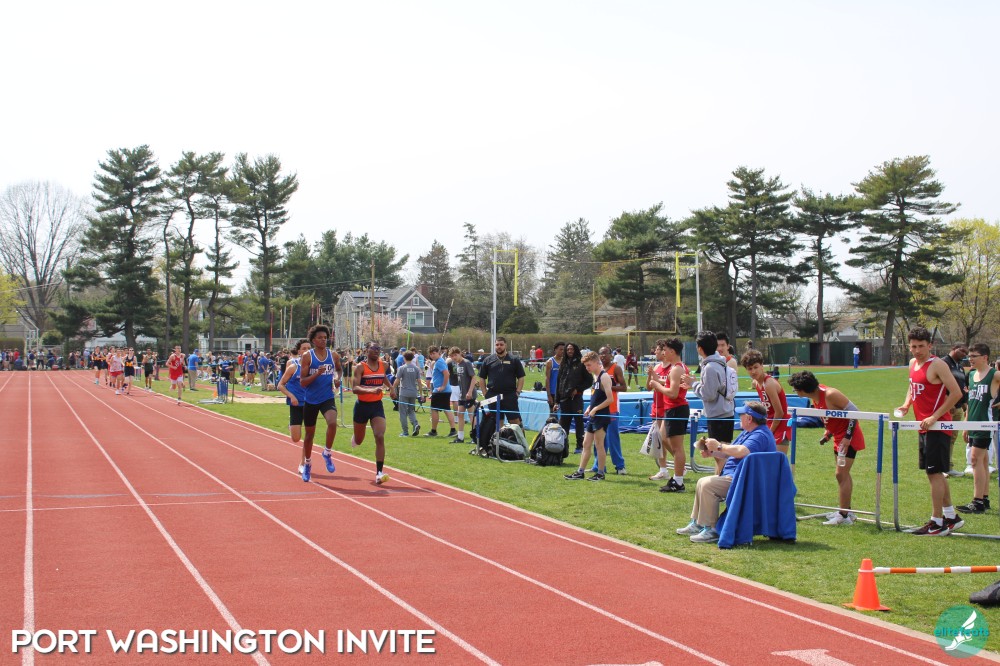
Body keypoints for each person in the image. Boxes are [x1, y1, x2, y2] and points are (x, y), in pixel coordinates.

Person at [895, 326, 964, 536]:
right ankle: (951, 516)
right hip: (923, 426)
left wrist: (935, 416)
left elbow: (956, 393)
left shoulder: (938, 365)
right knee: (935, 472)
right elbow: (912, 386)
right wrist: (906, 404)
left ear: (930, 345)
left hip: (938, 426)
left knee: (934, 473)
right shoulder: (912, 363)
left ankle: (936, 521)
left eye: (921, 346)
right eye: (913, 346)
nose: (917, 351)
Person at [675, 401, 777, 543]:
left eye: (741, 414)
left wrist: (719, 446)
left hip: (746, 480)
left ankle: (712, 529)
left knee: (707, 485)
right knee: (702, 482)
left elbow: (742, 451)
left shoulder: (760, 435)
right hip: (740, 476)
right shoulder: (749, 432)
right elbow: (730, 452)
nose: (739, 417)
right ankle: (698, 523)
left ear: (749, 418)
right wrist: (713, 452)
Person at [788, 370, 866, 526]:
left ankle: (843, 516)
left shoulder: (830, 394)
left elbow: (854, 412)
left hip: (848, 439)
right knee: (843, 475)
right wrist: (828, 433)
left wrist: (847, 437)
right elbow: (833, 417)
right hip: (838, 437)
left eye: (796, 390)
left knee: (840, 474)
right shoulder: (815, 397)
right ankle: (847, 511)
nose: (795, 392)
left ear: (803, 390)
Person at [682, 331, 736, 475]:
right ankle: (719, 480)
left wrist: (693, 384)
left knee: (720, 455)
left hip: (718, 415)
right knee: (720, 453)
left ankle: (722, 482)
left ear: (700, 348)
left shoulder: (710, 367)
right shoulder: (719, 363)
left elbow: (709, 395)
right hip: (724, 412)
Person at [958, 344, 999, 514]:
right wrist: (966, 425)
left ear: (985, 357)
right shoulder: (972, 374)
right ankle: (984, 498)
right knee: (982, 461)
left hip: (984, 424)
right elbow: (970, 402)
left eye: (974, 356)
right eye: (969, 356)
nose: (970, 359)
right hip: (972, 423)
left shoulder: (994, 374)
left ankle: (977, 502)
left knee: (975, 459)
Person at [299, 325, 342, 481]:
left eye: (325, 337)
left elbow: (339, 370)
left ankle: (327, 453)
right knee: (309, 435)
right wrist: (317, 373)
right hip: (311, 399)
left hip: (327, 397)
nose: (323, 340)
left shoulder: (333, 355)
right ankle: (307, 464)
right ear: (313, 340)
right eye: (320, 338)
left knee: (332, 423)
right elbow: (303, 382)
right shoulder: (307, 357)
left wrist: (337, 379)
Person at [564, 351, 614, 481]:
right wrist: (590, 408)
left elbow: (610, 399)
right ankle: (580, 472)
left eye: (589, 365)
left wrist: (596, 408)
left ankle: (600, 473)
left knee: (599, 445)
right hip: (593, 416)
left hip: (601, 416)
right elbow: (596, 396)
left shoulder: (604, 377)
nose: (587, 368)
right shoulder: (595, 377)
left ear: (597, 363)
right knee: (586, 444)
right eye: (586, 366)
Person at [647, 338, 689, 490]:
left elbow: (673, 393)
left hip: (676, 408)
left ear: (672, 351)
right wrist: (658, 379)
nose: (663, 353)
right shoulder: (676, 368)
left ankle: (678, 481)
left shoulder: (677, 369)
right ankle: (678, 474)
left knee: (677, 448)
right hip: (671, 409)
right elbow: (670, 384)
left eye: (665, 350)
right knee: (663, 437)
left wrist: (657, 385)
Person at [352, 342, 393, 485]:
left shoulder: (384, 365)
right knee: (359, 440)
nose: (376, 351)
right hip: (361, 407)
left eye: (378, 349)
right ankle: (356, 437)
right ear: (366, 350)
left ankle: (379, 473)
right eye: (373, 348)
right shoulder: (360, 367)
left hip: (376, 406)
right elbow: (355, 388)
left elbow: (383, 377)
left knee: (379, 436)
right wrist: (371, 390)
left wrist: (391, 387)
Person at [742, 350, 791, 455]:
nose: (753, 371)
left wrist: (769, 432)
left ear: (762, 366)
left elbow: (779, 412)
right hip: (768, 423)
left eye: (755, 367)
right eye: (750, 369)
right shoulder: (756, 383)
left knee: (776, 461)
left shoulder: (768, 384)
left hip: (780, 424)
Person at [277, 338, 310, 478]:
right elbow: (280, 385)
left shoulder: (315, 367)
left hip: (310, 404)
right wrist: (292, 396)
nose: (307, 351)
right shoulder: (293, 366)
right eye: (304, 348)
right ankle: (292, 425)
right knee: (296, 438)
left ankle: (303, 463)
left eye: (309, 348)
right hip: (296, 404)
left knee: (309, 436)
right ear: (299, 351)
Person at [477, 336, 525, 426]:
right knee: (497, 423)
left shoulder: (514, 359)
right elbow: (482, 378)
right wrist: (485, 393)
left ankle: (519, 436)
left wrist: (518, 392)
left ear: (505, 345)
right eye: (497, 345)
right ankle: (499, 436)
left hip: (509, 395)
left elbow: (521, 377)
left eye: (501, 344)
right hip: (493, 395)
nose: (499, 346)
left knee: (515, 422)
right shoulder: (488, 360)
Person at [593, 346, 627, 474]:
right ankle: (598, 466)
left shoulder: (615, 368)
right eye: (600, 354)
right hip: (600, 408)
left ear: (611, 355)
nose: (603, 356)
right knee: (598, 440)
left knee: (613, 438)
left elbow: (624, 387)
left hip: (612, 408)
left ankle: (620, 466)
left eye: (605, 353)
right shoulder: (598, 369)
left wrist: (608, 387)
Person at [555, 342, 588, 453]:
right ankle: (563, 446)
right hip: (564, 399)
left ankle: (580, 446)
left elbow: (588, 381)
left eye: (572, 349)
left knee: (579, 422)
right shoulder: (563, 363)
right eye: (568, 349)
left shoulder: (581, 363)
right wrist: (556, 401)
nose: (570, 351)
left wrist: (577, 389)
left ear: (575, 350)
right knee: (564, 423)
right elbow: (559, 382)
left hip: (576, 398)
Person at [942, 344, 969, 477]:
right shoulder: (943, 363)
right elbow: (940, 386)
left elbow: (962, 387)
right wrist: (948, 402)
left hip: (958, 407)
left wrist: (964, 404)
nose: (964, 354)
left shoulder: (960, 367)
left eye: (966, 352)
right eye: (962, 350)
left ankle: (948, 466)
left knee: (952, 437)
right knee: (943, 437)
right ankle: (941, 467)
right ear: (953, 348)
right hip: (947, 407)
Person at [424, 346, 456, 438]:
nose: (432, 355)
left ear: (439, 353)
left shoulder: (439, 362)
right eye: (431, 354)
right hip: (442, 390)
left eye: (434, 353)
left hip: (441, 391)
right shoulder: (438, 362)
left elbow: (446, 374)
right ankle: (452, 430)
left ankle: (434, 431)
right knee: (446, 409)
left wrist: (443, 386)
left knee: (435, 410)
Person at [448, 347, 477, 443]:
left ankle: (475, 437)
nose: (454, 357)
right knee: (460, 415)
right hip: (462, 394)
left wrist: (470, 392)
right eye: (452, 356)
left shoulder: (467, 363)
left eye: (455, 355)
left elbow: (474, 378)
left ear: (460, 353)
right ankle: (460, 437)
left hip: (469, 395)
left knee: (471, 416)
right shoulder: (457, 364)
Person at [391, 350, 422, 437]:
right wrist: (421, 393)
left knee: (403, 412)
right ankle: (415, 424)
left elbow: (397, 380)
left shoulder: (402, 368)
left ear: (404, 358)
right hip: (413, 392)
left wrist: (392, 389)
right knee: (411, 410)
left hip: (404, 392)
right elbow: (419, 382)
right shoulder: (416, 368)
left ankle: (405, 432)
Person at [544, 342, 565, 414]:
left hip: (563, 392)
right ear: (555, 350)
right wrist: (549, 395)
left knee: (564, 414)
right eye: (560, 349)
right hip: (553, 393)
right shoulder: (550, 362)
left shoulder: (565, 361)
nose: (562, 351)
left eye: (564, 349)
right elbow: (547, 378)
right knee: (553, 415)